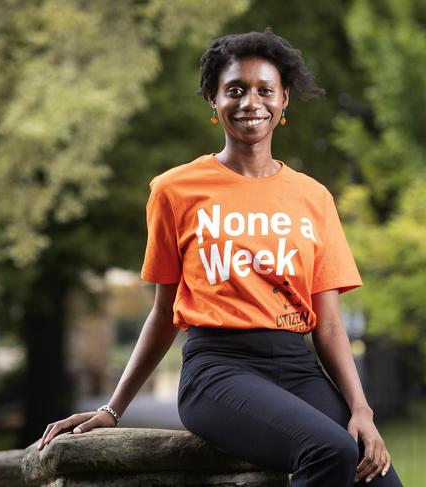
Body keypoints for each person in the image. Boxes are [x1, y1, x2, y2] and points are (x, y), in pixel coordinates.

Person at [37, 28, 404, 487]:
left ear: (284, 99)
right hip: (218, 370)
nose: (252, 102)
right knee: (328, 450)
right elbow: (163, 312)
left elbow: (329, 326)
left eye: (265, 90)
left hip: (297, 366)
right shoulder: (175, 190)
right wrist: (114, 409)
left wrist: (361, 410)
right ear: (213, 99)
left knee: (377, 475)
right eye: (235, 90)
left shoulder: (314, 197)